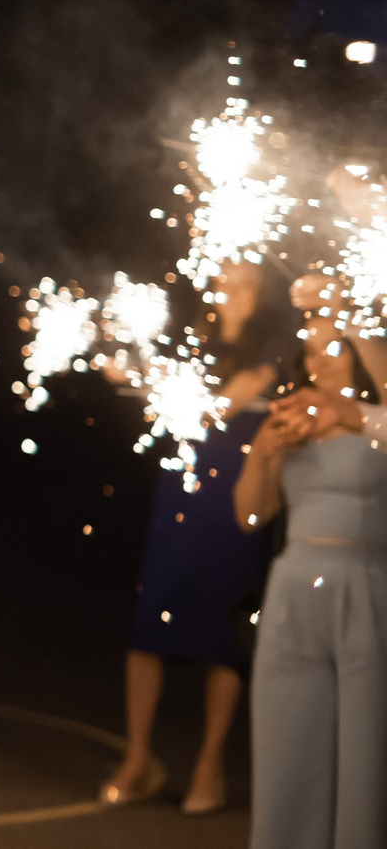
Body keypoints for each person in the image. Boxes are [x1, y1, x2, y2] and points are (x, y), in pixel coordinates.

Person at [100, 260, 286, 815]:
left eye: (245, 283)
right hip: (180, 489)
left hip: (235, 495)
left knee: (221, 625)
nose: (232, 291)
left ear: (261, 294)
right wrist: (127, 370)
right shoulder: (192, 342)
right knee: (150, 616)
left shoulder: (272, 351)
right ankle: (136, 759)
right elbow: (172, 409)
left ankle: (210, 765)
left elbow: (215, 408)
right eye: (223, 280)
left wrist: (150, 382)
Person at [231, 303, 387, 849]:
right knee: (286, 741)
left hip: (365, 586)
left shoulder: (376, 420)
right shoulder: (291, 421)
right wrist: (262, 452)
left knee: (366, 751)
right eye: (311, 352)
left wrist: (352, 407)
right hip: (295, 588)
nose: (318, 361)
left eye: (333, 347)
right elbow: (251, 517)